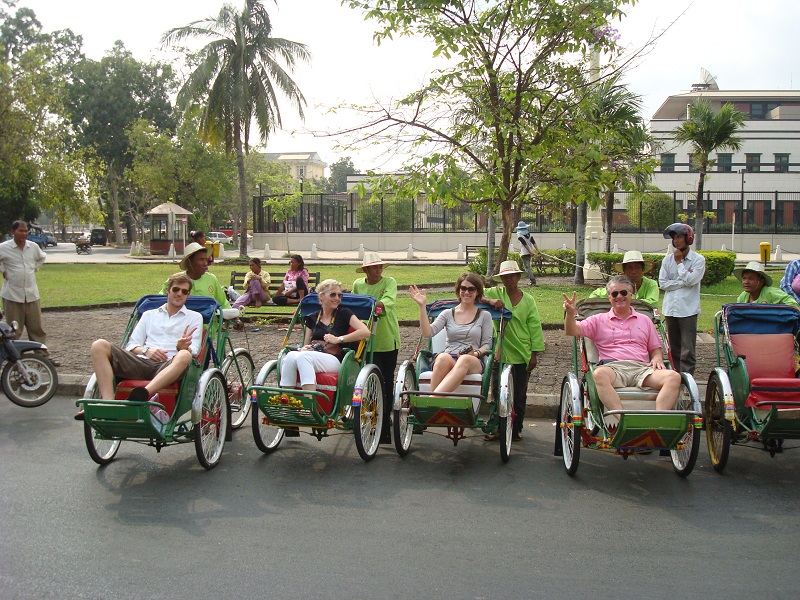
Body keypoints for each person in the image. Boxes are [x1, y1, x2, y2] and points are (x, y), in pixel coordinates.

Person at [75, 274, 203, 420]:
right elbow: (132, 345)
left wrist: (182, 347)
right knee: (99, 345)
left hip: (169, 366)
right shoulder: (149, 315)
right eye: (176, 289)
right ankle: (108, 404)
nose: (179, 294)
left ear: (188, 295)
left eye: (184, 291)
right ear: (168, 290)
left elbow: (195, 350)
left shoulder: (194, 317)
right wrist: (147, 350)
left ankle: (144, 394)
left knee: (185, 355)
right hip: (141, 362)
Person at [563, 275, 681, 419]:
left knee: (674, 377)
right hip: (613, 368)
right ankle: (623, 421)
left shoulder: (645, 320)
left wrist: (657, 357)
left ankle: (658, 420)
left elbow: (655, 348)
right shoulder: (598, 320)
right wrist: (570, 314)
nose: (619, 296)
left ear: (631, 295)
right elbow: (571, 331)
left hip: (642, 368)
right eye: (614, 294)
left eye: (624, 293)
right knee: (598, 374)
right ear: (609, 297)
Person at [481, 260, 544, 442]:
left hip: (522, 352)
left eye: (512, 276)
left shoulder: (528, 300)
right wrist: (490, 301)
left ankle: (516, 428)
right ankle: (496, 427)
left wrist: (534, 353)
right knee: (497, 391)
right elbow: (475, 295)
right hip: (500, 352)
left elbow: (535, 327)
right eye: (505, 277)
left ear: (518, 277)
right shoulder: (496, 293)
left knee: (519, 394)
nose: (509, 280)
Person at [279, 279, 371, 391]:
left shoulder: (344, 313)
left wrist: (339, 339)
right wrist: (304, 348)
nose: (337, 298)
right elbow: (305, 344)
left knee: (304, 357)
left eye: (339, 295)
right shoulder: (312, 317)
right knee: (290, 356)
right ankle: (287, 398)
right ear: (321, 296)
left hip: (335, 359)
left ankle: (309, 401)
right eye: (333, 295)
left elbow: (365, 332)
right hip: (314, 355)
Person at [409, 273, 493, 394]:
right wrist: (422, 306)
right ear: (458, 290)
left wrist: (475, 353)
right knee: (442, 357)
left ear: (478, 292)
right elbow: (428, 333)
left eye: (471, 289)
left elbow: (487, 344)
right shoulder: (447, 313)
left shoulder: (485, 316)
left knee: (465, 359)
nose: (466, 292)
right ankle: (436, 402)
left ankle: (431, 400)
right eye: (463, 288)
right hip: (450, 356)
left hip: (472, 360)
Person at [353, 252, 399, 443]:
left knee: (386, 381)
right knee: (366, 382)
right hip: (365, 339)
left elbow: (387, 302)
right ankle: (369, 418)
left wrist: (370, 304)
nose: (378, 271)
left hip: (386, 339)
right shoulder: (358, 284)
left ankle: (384, 420)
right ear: (366, 270)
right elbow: (354, 307)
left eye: (380, 267)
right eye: (374, 268)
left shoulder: (389, 282)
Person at [658, 223, 705, 375]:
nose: (676, 241)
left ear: (688, 238)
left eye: (679, 237)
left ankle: (688, 380)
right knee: (674, 348)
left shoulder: (698, 260)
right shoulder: (667, 260)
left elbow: (692, 281)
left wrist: (679, 264)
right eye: (674, 238)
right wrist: (683, 281)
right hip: (670, 309)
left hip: (688, 310)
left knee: (688, 350)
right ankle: (676, 377)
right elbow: (663, 283)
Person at [0, 221, 47, 343]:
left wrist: (35, 267)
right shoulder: (4, 247)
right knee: (13, 330)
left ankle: (41, 356)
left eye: (26, 231)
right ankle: (14, 357)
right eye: (20, 231)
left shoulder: (32, 247)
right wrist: (3, 270)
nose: (24, 233)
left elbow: (42, 257)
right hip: (13, 295)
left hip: (31, 295)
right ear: (13, 232)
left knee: (36, 328)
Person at [160, 242, 231, 309]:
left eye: (206, 259)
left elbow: (223, 303)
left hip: (207, 322)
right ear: (189, 262)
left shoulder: (211, 279)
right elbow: (159, 301)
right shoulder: (176, 280)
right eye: (201, 260)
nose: (205, 263)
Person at [589, 250, 659, 306]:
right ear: (624, 271)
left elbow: (653, 302)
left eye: (637, 267)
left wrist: (625, 300)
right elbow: (595, 295)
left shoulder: (651, 284)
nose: (633, 271)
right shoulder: (619, 284)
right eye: (629, 268)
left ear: (643, 270)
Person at [734, 261, 799, 307]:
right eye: (744, 278)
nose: (746, 282)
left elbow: (792, 304)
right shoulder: (742, 297)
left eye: (751, 279)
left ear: (761, 282)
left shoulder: (771, 293)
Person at [515, 221, 540, 286]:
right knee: (528, 267)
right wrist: (537, 250)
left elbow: (525, 244)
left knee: (527, 267)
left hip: (525, 253)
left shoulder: (519, 235)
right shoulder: (529, 234)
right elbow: (534, 243)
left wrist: (530, 252)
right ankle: (532, 281)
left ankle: (533, 281)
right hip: (529, 252)